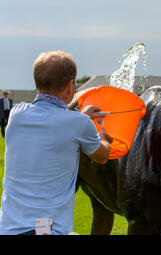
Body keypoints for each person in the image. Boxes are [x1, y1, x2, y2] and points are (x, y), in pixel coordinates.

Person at [0, 51, 113, 235]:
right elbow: (102, 156)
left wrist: (80, 117)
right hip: (46, 230)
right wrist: (103, 137)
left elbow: (51, 120)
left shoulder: (16, 114)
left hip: (8, 228)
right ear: (71, 85)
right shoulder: (78, 124)